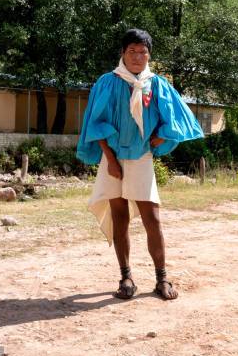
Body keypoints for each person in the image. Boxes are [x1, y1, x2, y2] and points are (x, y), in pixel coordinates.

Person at [77, 28, 204, 300]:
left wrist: (159, 138)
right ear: (123, 53)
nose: (137, 57)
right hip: (112, 158)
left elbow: (177, 118)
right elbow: (95, 123)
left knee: (152, 218)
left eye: (143, 52)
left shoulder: (156, 84)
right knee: (119, 218)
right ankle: (125, 277)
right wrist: (110, 160)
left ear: (149, 55)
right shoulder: (108, 83)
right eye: (132, 51)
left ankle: (162, 278)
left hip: (141, 158)